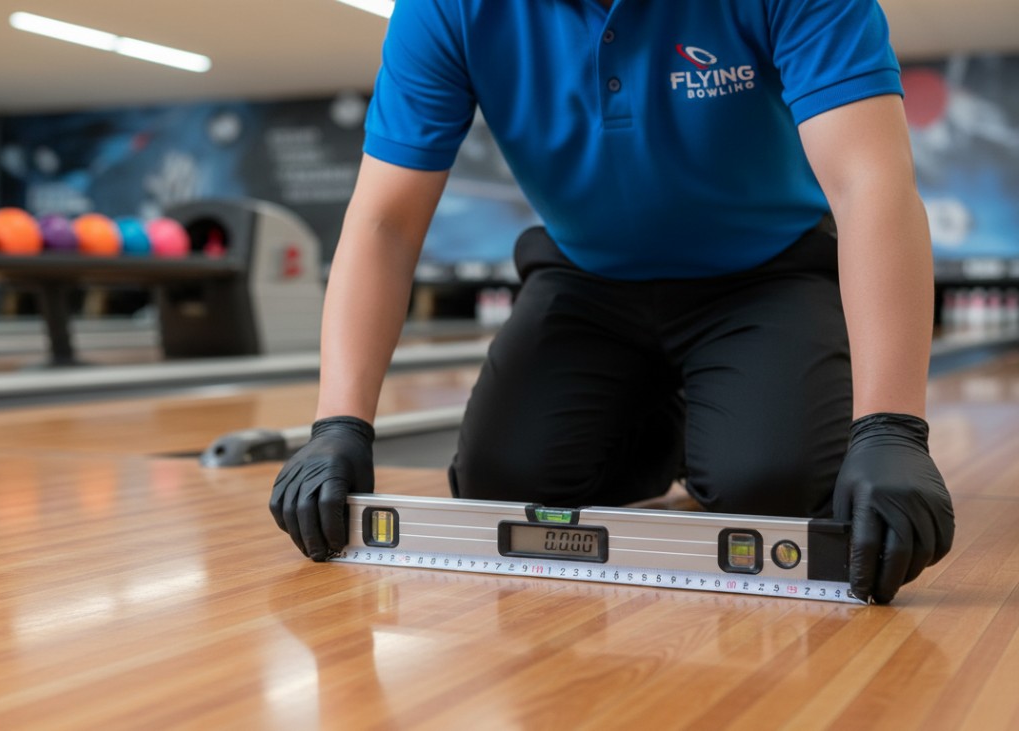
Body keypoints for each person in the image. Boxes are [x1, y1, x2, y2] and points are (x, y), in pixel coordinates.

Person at [270, 0, 955, 604]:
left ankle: (726, 413)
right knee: (502, 486)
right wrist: (339, 423)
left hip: (764, 275)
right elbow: (386, 222)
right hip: (587, 280)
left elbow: (871, 184)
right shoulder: (445, 7)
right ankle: (675, 420)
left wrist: (891, 427)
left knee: (772, 489)